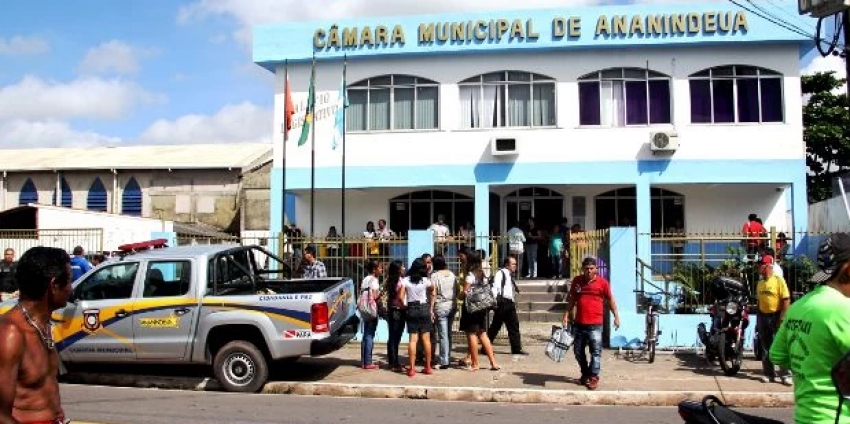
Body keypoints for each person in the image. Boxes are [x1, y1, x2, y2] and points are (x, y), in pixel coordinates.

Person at [771, 233, 850, 424]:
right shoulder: (843, 309)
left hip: (805, 417)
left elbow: (777, 354)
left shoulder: (799, 306)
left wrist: (812, 367)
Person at [0, 246, 73, 424]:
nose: (71, 289)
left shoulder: (43, 324)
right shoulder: (11, 334)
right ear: (54, 286)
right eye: (69, 281)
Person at [563, 257, 620, 391]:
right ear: (583, 269)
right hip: (579, 323)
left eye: (591, 268)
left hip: (595, 324)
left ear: (596, 269)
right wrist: (566, 314)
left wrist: (616, 316)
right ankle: (585, 373)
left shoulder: (603, 283)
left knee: (595, 352)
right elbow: (572, 299)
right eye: (586, 268)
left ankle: (593, 377)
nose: (589, 271)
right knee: (577, 351)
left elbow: (610, 300)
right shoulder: (577, 281)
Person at [755, 255, 791, 385]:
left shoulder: (778, 280)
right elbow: (759, 301)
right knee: (765, 346)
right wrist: (758, 318)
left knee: (780, 345)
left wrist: (781, 318)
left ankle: (786, 375)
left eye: (761, 264)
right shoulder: (760, 283)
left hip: (777, 316)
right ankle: (769, 374)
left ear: (768, 266)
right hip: (763, 317)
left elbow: (786, 299)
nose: (759, 267)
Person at [398, 258, 435, 377]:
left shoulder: (406, 280)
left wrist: (404, 307)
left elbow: (400, 297)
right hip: (424, 308)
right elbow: (433, 290)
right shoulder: (425, 280)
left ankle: (412, 369)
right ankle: (428, 367)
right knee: (426, 340)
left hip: (412, 308)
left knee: (413, 340)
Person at [487, 256, 527, 355]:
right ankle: (516, 348)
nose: (515, 266)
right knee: (508, 326)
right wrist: (496, 300)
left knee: (499, 326)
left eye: (515, 264)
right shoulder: (501, 273)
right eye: (513, 264)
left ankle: (486, 347)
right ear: (506, 264)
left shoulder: (509, 275)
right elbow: (495, 287)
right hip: (503, 303)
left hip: (508, 302)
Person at [359, 259, 382, 370]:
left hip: (364, 309)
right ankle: (368, 362)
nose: (381, 270)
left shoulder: (365, 279)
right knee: (369, 335)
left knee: (365, 335)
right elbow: (375, 296)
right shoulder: (374, 280)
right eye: (379, 268)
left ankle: (363, 361)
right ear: (374, 269)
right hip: (371, 310)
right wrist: (381, 292)